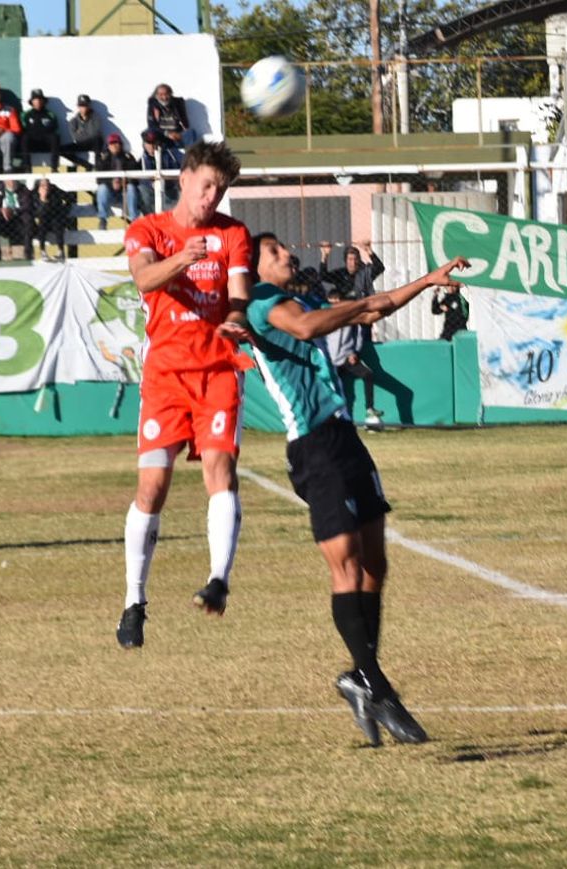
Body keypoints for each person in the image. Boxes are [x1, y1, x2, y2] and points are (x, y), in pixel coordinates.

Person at [245, 230, 468, 745]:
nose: (286, 254)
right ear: (254, 267)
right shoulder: (260, 304)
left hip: (345, 437)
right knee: (344, 560)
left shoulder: (303, 297)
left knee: (375, 564)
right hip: (313, 448)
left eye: (283, 249)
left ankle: (360, 676)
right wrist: (355, 305)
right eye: (273, 251)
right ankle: (377, 685)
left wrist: (428, 280)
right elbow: (304, 329)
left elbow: (374, 308)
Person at [114, 140, 254, 650]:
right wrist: (182, 258)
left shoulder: (233, 234)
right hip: (165, 378)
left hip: (217, 369)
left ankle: (218, 580)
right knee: (153, 486)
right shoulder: (147, 230)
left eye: (220, 189)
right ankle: (134, 601)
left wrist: (236, 320)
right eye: (206, 185)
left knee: (220, 467)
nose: (212, 197)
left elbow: (238, 295)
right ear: (184, 178)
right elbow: (144, 278)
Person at [324, 285, 385, 431]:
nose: (336, 304)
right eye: (332, 301)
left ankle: (369, 408)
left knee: (368, 374)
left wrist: (354, 352)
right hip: (329, 359)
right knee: (333, 390)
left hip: (346, 357)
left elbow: (358, 334)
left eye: (338, 301)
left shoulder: (350, 315)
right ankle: (329, 421)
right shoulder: (323, 315)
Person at [96, 132, 139, 229]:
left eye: (116, 143)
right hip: (110, 193)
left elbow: (135, 178)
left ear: (121, 144)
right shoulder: (103, 159)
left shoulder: (128, 158)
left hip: (125, 193)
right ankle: (103, 219)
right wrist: (111, 183)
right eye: (111, 143)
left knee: (132, 188)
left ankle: (134, 220)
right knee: (102, 188)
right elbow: (99, 179)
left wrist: (124, 182)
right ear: (108, 146)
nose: (114, 145)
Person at [0, 178, 33, 261]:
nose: (10, 182)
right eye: (8, 180)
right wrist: (1, 210)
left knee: (28, 218)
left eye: (12, 180)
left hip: (18, 219)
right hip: (3, 220)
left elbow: (27, 205)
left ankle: (28, 252)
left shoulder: (23, 189)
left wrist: (13, 211)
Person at [136, 128, 182, 216]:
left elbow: (186, 161)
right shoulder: (142, 160)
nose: (151, 146)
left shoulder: (171, 154)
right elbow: (140, 179)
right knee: (142, 190)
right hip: (152, 194)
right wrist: (151, 183)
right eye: (148, 143)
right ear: (144, 144)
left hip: (171, 189)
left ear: (159, 142)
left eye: (154, 143)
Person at [146, 83, 197, 151]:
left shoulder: (177, 104)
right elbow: (152, 126)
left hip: (177, 134)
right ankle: (152, 159)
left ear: (170, 94)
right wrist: (167, 133)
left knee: (190, 133)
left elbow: (185, 124)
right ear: (156, 95)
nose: (164, 97)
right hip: (162, 135)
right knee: (148, 134)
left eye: (166, 94)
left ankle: (190, 156)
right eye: (161, 94)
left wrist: (178, 134)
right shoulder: (153, 106)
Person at [21, 88, 61, 170]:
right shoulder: (26, 115)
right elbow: (23, 128)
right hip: (32, 144)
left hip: (46, 145)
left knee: (55, 137)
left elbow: (55, 129)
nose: (38, 101)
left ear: (43, 101)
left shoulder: (50, 114)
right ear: (32, 102)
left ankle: (54, 168)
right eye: (35, 99)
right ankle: (27, 168)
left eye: (40, 99)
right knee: (24, 138)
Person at [32, 177, 68, 262]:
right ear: (38, 187)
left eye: (47, 185)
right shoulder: (34, 195)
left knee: (57, 223)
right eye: (43, 185)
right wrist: (43, 199)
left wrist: (64, 210)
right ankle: (43, 251)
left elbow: (70, 198)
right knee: (42, 224)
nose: (46, 187)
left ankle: (61, 251)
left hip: (56, 219)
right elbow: (38, 213)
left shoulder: (55, 191)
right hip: (43, 220)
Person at [64, 94, 103, 169]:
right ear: (78, 107)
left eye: (85, 105)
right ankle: (86, 165)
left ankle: (98, 167)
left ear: (89, 106)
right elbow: (76, 137)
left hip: (93, 144)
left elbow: (95, 134)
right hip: (81, 144)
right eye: (81, 105)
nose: (84, 108)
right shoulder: (73, 121)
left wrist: (81, 133)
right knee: (62, 150)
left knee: (98, 140)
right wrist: (86, 134)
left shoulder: (96, 118)